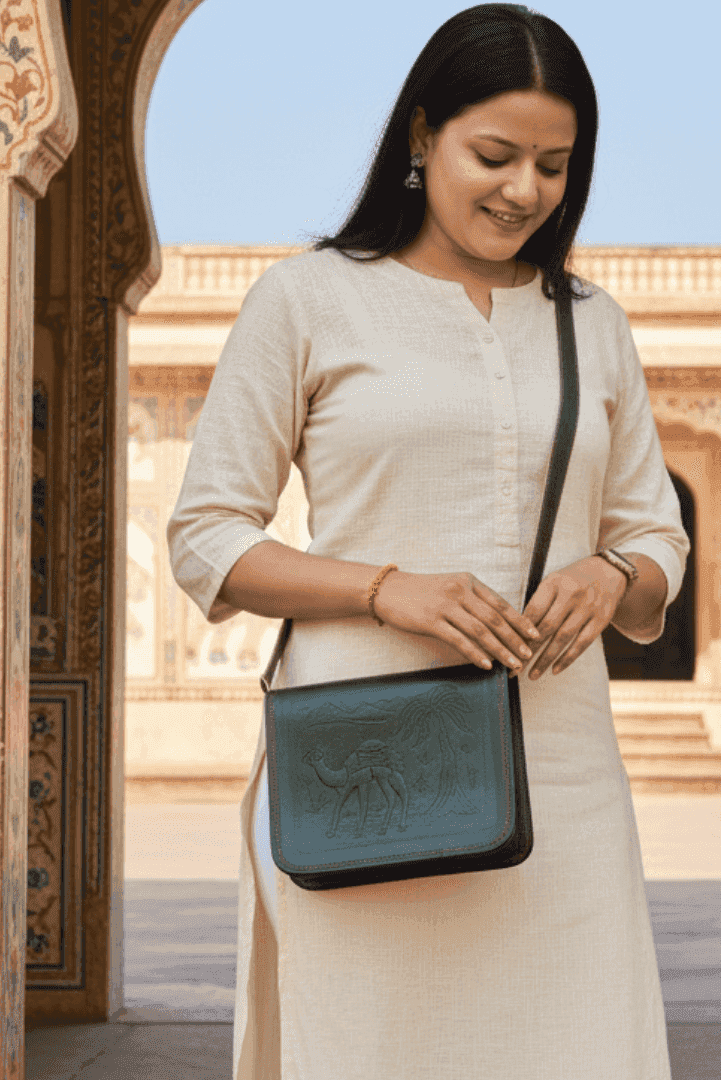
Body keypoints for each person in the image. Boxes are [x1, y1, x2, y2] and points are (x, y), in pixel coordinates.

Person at [166, 5, 689, 1077]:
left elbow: (656, 540)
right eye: (493, 155)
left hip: (560, 767)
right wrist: (383, 589)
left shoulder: (590, 323)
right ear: (420, 136)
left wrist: (613, 571)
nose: (525, 191)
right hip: (367, 763)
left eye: (554, 164)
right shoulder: (310, 301)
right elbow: (207, 538)